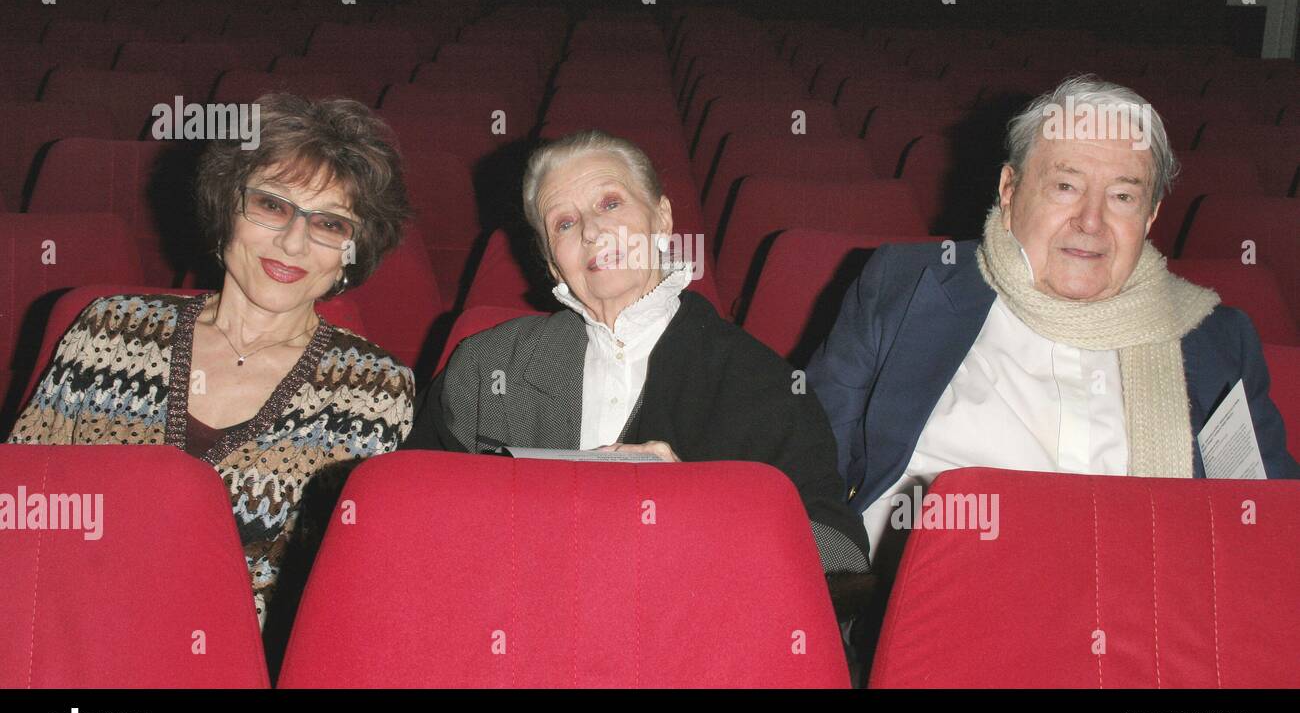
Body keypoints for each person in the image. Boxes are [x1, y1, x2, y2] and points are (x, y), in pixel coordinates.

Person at [806, 75, 1298, 576]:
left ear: (1150, 218)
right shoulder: (907, 288)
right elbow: (808, 468)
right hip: (929, 613)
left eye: (1123, 197)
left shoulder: (1213, 340)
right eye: (1066, 186)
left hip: (1134, 629)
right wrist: (840, 590)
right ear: (1009, 190)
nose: (1090, 220)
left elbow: (1271, 530)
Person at [9, 93, 417, 631]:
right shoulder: (108, 329)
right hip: (65, 633)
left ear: (352, 252)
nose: (293, 243)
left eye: (330, 225)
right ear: (227, 209)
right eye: (271, 205)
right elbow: (19, 509)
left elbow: (338, 598)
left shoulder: (377, 390)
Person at [404, 129, 871, 578]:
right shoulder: (488, 367)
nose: (591, 230)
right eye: (564, 223)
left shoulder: (763, 385)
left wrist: (695, 507)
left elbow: (841, 557)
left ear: (662, 219)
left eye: (610, 203)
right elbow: (409, 509)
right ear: (552, 262)